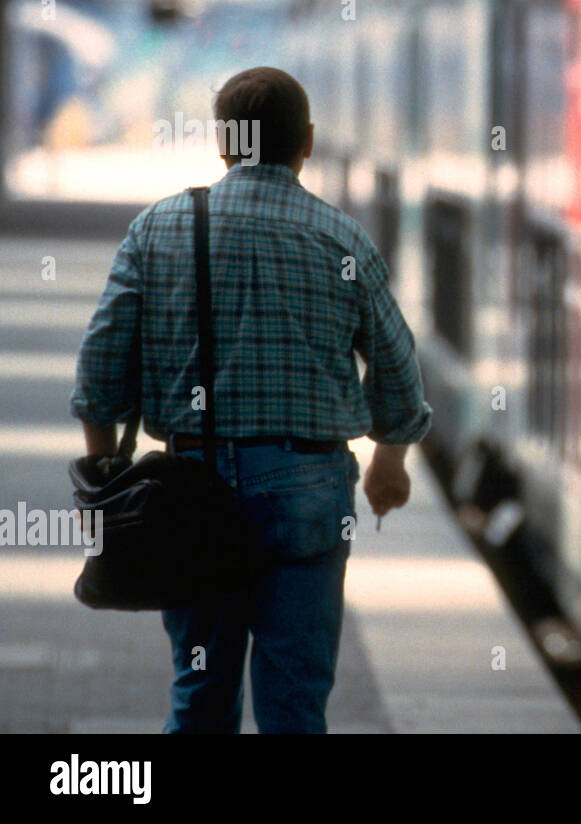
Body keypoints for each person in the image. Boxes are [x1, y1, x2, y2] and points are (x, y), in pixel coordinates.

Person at [69, 66, 433, 733]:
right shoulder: (343, 240)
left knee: (200, 694)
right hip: (307, 492)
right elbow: (399, 375)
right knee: (294, 703)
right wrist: (390, 462)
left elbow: (100, 369)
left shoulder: (159, 229)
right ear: (309, 142)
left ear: (223, 142)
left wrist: (105, 469)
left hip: (189, 494)